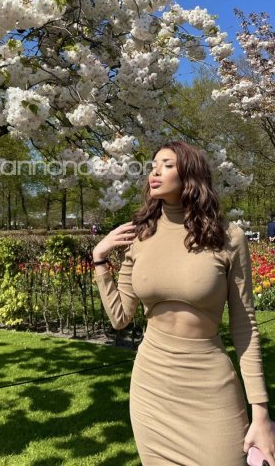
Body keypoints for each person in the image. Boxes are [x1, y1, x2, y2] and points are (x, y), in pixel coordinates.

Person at [92, 140, 275, 466]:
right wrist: (99, 259)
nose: (155, 172)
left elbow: (245, 325)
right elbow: (120, 317)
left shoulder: (228, 237)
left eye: (167, 165)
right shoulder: (140, 237)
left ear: (190, 174)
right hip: (151, 388)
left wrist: (260, 412)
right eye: (153, 166)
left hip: (210, 386)